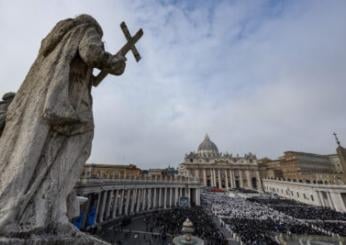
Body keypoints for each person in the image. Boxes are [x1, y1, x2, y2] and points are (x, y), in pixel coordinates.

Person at [0, 14, 126, 235]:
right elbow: (91, 53)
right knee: (79, 142)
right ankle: (43, 212)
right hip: (65, 103)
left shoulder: (58, 40)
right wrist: (116, 63)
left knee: (29, 159)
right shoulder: (88, 29)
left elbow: (83, 65)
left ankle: (31, 214)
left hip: (41, 103)